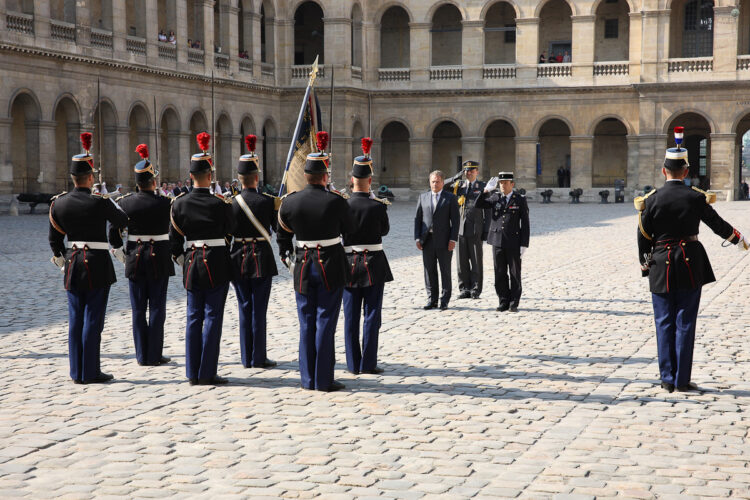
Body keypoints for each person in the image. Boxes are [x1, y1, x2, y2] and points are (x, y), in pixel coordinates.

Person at [636, 126, 749, 393]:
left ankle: (666, 379)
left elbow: (643, 236)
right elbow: (717, 224)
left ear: (664, 171)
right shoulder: (695, 197)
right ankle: (682, 380)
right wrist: (739, 239)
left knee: (663, 321)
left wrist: (645, 265)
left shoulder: (650, 201)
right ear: (686, 172)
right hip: (690, 262)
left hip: (660, 264)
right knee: (686, 321)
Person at [277, 131, 356, 392]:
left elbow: (282, 234)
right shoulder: (336, 202)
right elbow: (350, 230)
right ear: (325, 176)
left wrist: (287, 255)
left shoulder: (290, 203)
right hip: (330, 264)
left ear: (305, 176)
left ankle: (307, 378)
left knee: (306, 321)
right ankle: (323, 379)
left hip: (302, 265)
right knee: (325, 321)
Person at [48, 132, 128, 384]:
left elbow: (54, 239)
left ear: (72, 178)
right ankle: (91, 370)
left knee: (75, 319)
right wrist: (105, 197)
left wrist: (62, 261)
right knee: (93, 318)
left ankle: (76, 371)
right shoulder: (100, 202)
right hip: (97, 262)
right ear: (91, 177)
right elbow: (122, 219)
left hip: (73, 262)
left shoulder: (58, 204)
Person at [170, 133, 235, 385]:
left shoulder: (179, 204)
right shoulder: (221, 203)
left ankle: (192, 372)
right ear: (210, 176)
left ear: (191, 177)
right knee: (213, 316)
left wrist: (182, 260)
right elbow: (232, 228)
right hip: (217, 259)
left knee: (193, 316)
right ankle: (207, 371)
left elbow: (174, 241)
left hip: (192, 260)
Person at [109, 144, 174, 367]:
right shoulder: (165, 203)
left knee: (138, 309)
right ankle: (154, 354)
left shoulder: (125, 203)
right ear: (153, 181)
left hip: (135, 259)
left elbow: (113, 231)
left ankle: (141, 355)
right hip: (159, 258)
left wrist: (120, 251)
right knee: (157, 307)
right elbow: (174, 229)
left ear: (137, 183)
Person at [342, 138, 393, 375]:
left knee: (351, 316)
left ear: (352, 180)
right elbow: (384, 231)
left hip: (349, 264)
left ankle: (353, 364)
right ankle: (368, 363)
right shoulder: (378, 206)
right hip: (373, 263)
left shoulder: (342, 206)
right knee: (372, 314)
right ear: (370, 181)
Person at [230, 135, 278, 369]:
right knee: (259, 309)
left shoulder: (230, 203)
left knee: (244, 307)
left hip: (238, 256)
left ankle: (245, 357)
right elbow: (278, 228)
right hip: (261, 257)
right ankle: (259, 356)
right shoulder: (267, 201)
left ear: (240, 179)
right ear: (257, 178)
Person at [476, 172, 530, 312]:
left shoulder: (519, 200)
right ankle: (503, 300)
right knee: (499, 273)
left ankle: (514, 302)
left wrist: (524, 243)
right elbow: (478, 205)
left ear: (512, 184)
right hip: (497, 241)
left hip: (514, 241)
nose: (502, 185)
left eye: (505, 183)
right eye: (501, 183)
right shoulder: (495, 197)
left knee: (514, 273)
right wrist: (486, 191)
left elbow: (525, 223)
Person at [414, 170, 460, 310]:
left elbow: (456, 221)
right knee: (429, 270)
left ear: (442, 182)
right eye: (433, 181)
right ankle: (432, 299)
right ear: (430, 182)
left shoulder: (450, 198)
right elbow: (418, 219)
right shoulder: (423, 197)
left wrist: (453, 239)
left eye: (438, 181)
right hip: (427, 240)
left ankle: (444, 299)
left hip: (445, 240)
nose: (435, 184)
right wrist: (417, 238)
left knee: (445, 271)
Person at [444, 161, 490, 299]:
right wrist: (455, 177)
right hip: (459, 229)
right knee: (461, 261)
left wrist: (486, 230)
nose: (468, 173)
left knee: (476, 261)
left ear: (477, 171)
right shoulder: (459, 186)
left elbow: (487, 210)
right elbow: (443, 187)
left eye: (471, 170)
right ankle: (464, 288)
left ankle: (475, 289)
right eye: (466, 171)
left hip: (476, 229)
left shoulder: (482, 187)